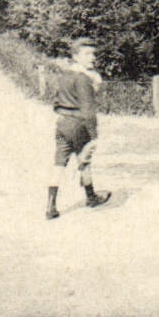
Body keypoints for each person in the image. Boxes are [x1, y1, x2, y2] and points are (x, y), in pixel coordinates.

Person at [48, 38, 111, 219]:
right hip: (78, 124)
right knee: (84, 160)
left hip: (62, 123)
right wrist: (93, 135)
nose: (92, 58)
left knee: (59, 163)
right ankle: (91, 197)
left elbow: (56, 101)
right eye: (87, 54)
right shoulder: (83, 79)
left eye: (93, 54)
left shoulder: (64, 75)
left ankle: (50, 206)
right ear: (75, 56)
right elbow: (88, 110)